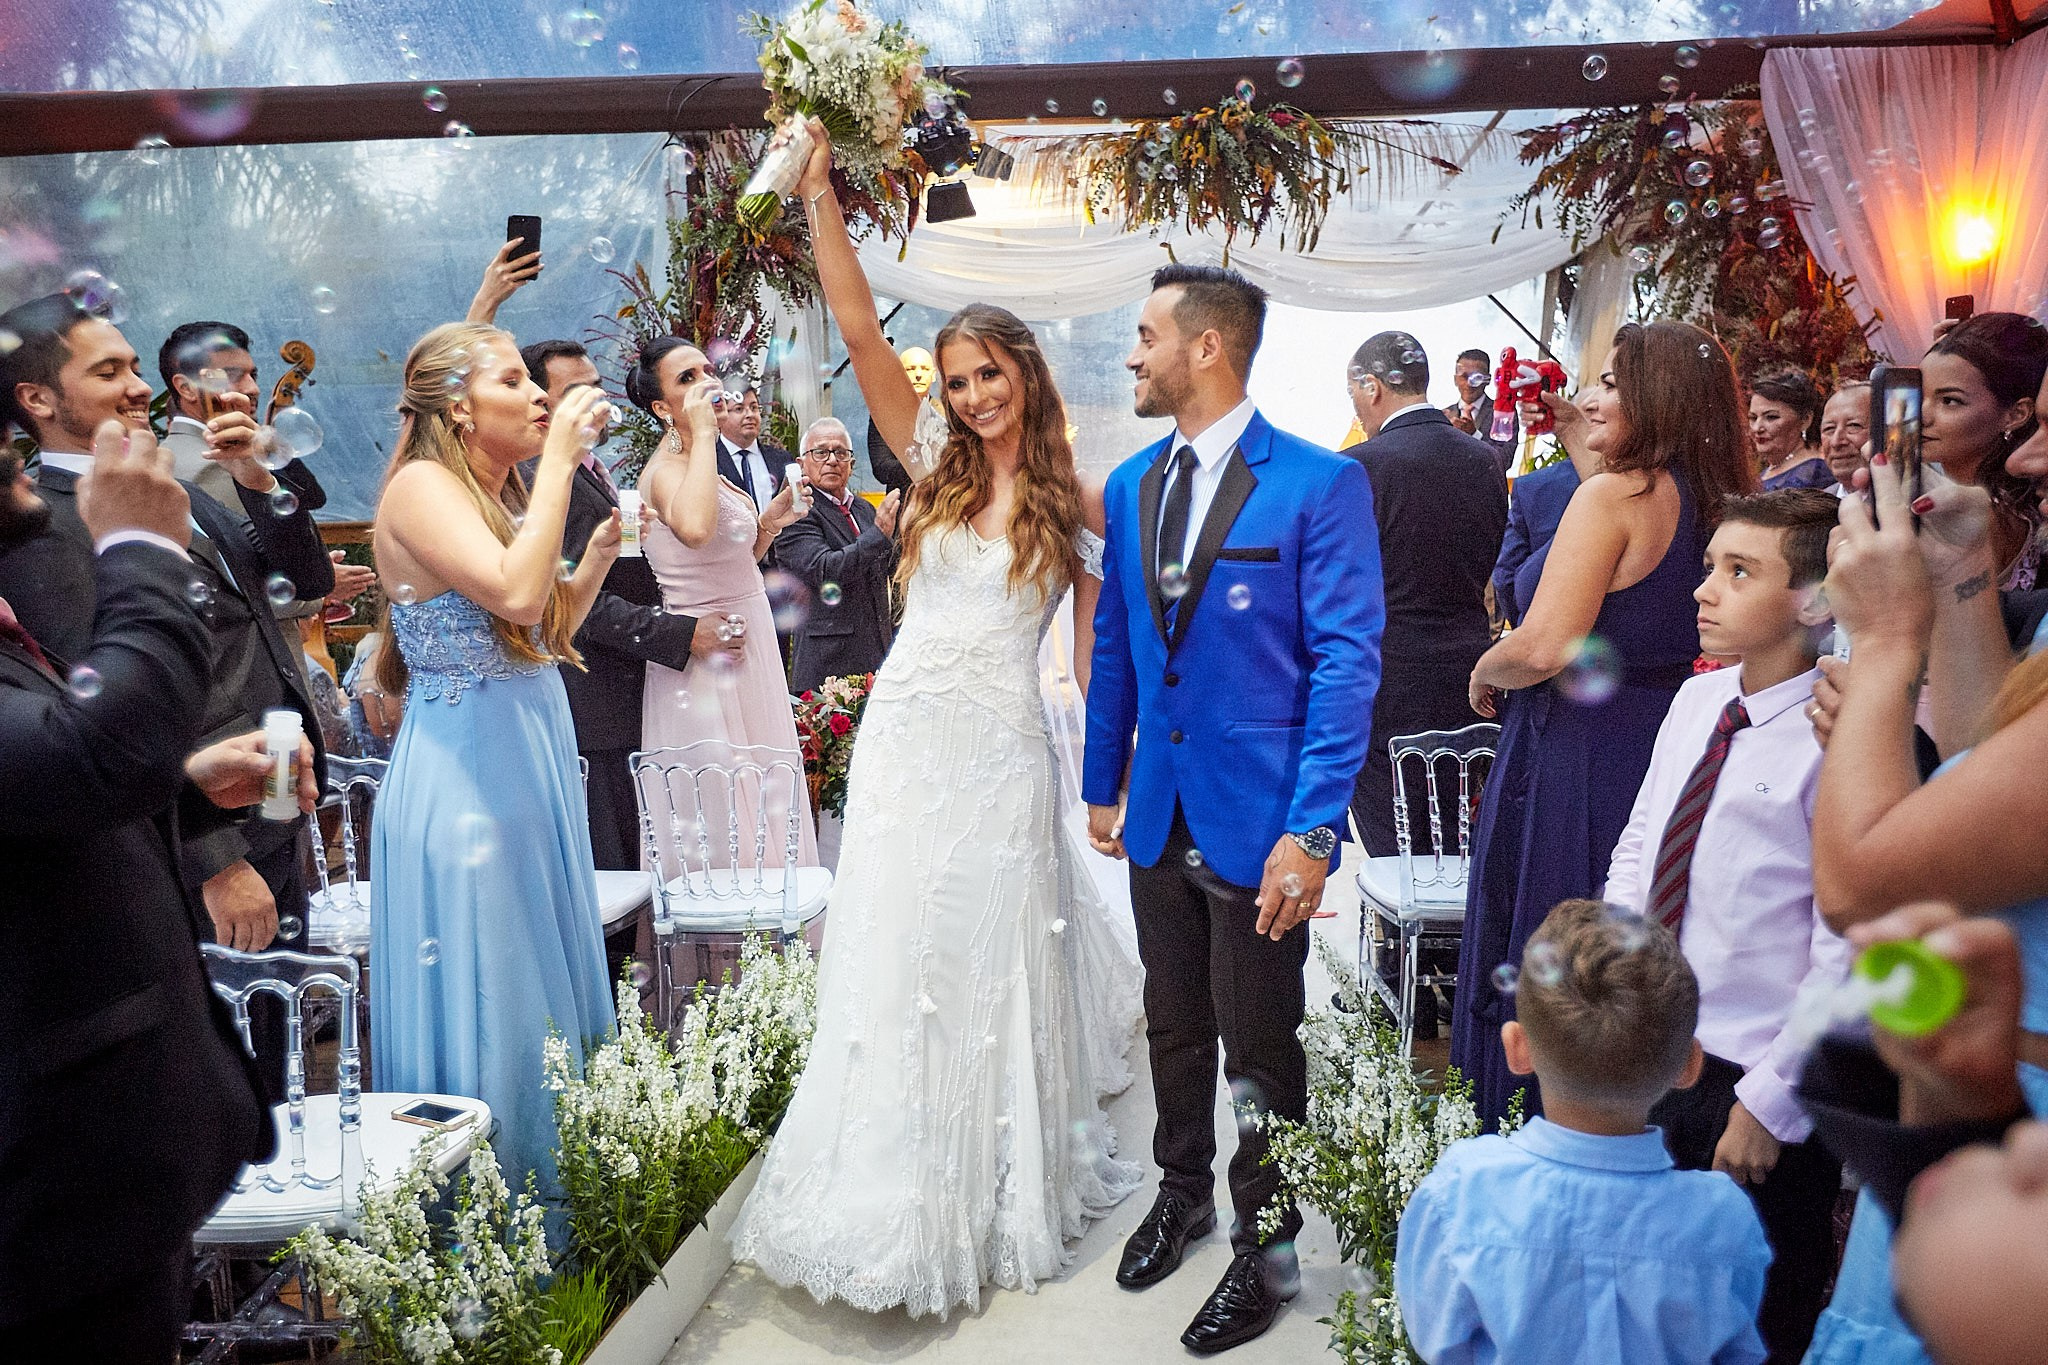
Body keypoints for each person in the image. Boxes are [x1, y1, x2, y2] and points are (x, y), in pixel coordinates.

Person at [727, 118, 1143, 1321]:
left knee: (994, 943)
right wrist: (819, 197)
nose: (967, 397)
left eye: (985, 375)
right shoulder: (927, 466)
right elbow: (859, 328)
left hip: (1005, 740)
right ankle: (890, 1166)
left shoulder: (1071, 497)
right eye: (954, 381)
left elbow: (1092, 644)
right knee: (898, 938)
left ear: (1024, 374)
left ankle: (995, 1171)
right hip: (908, 731)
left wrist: (1098, 766)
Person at [1089, 263, 1384, 1354]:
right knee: (1172, 1023)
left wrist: (1311, 831)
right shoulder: (1127, 484)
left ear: (1205, 347)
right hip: (1156, 808)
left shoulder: (1316, 483)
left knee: (1260, 1044)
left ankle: (1264, 1245)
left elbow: (1347, 664)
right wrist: (1098, 784)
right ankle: (1183, 1192)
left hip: (1262, 821)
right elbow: (1119, 642)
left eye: (1146, 334)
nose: (1132, 353)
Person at [0, 292, 334, 1102]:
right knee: (225, 1072)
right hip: (191, 839)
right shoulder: (41, 526)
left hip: (273, 799)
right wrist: (213, 860)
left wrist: (259, 476)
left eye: (131, 366)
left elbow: (308, 584)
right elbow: (104, 715)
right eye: (106, 370)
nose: (132, 387)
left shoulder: (176, 492)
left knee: (282, 1054)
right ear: (38, 400)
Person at [0, 426, 278, 1362]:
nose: (13, 445)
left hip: (98, 1164)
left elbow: (38, 800)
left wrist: (192, 791)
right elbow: (94, 755)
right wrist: (144, 550)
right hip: (42, 1196)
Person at [1453, 321, 1758, 1129]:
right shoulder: (1710, 497)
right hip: (1666, 749)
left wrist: (1486, 669)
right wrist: (1586, 443)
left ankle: (1532, 1133)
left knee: (1555, 950)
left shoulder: (1611, 499)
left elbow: (1549, 644)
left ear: (1659, 398)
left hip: (1572, 754)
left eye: (1615, 383)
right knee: (1623, 965)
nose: (1594, 396)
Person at [1795, 432, 2048, 1364]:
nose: (2023, 462)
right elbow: (1992, 760)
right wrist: (1962, 573)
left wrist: (1888, 648)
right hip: (1981, 1092)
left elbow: (1861, 886)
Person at [367, 322, 618, 1197]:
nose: (540, 395)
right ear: (460, 409)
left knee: (540, 988)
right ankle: (499, 1230)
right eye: (515, 381)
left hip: (525, 764)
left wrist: (588, 570)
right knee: (500, 998)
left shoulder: (490, 493)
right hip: (468, 777)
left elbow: (534, 631)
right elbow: (513, 588)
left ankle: (575, 1208)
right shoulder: (422, 487)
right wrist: (558, 465)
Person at [1603, 489, 1848, 1362]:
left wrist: (1769, 1101)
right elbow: (1643, 838)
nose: (1705, 589)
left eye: (1739, 572)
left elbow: (1847, 945)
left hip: (1752, 1077)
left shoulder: (1839, 738)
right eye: (1711, 566)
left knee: (1744, 1311)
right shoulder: (1695, 705)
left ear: (1815, 599)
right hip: (1653, 1046)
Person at [1398, 899, 1771, 1365]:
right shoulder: (1723, 1218)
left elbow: (1436, 1339)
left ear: (1517, 1049)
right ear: (1689, 1064)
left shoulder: (1461, 1191)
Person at [517, 337, 738, 870]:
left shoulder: (592, 471)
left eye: (597, 387)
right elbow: (577, 605)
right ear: (540, 403)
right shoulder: (546, 484)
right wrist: (682, 633)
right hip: (594, 707)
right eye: (575, 393)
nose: (596, 401)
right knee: (610, 867)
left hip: (626, 693)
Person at [623, 337, 819, 866]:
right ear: (663, 409)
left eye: (706, 370)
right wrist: (707, 433)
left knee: (766, 795)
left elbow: (735, 556)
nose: (706, 382)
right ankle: (731, 945)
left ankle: (780, 944)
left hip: (748, 642)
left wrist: (770, 521)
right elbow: (693, 528)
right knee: (726, 809)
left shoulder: (703, 461)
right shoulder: (664, 470)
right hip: (706, 661)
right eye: (687, 378)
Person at [1343, 331, 1507, 858]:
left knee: (1397, 859)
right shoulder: (1485, 462)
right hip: (1470, 671)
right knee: (1457, 847)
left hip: (1385, 678)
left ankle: (1398, 945)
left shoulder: (1362, 467)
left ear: (1371, 388)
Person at [1919, 312, 2048, 591]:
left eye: (1949, 401)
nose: (1921, 416)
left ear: (2015, 414)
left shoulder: (1987, 516)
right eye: (1919, 394)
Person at [774, 415, 901, 694]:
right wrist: (878, 535)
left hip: (876, 658)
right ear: (801, 464)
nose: (832, 460)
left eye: (841, 453)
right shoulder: (796, 512)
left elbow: (884, 570)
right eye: (821, 452)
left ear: (852, 465)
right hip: (828, 665)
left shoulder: (865, 510)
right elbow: (823, 570)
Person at [713, 379, 789, 523]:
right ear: (721, 415)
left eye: (754, 408)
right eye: (739, 409)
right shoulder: (709, 462)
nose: (750, 415)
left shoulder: (781, 460)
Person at [867, 345, 936, 495]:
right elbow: (881, 467)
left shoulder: (950, 413)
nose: (918, 374)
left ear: (934, 374)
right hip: (904, 505)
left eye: (924, 369)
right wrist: (928, 465)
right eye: (910, 369)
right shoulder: (884, 415)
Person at [1751, 368, 1832, 491]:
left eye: (1771, 417)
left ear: (1805, 420)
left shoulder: (1816, 474)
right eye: (1753, 418)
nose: (1757, 428)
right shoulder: (1767, 472)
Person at [1445, 346, 1515, 469]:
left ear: (1488, 380)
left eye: (1476, 377)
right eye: (1464, 376)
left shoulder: (1503, 414)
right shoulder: (1444, 415)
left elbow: (1504, 459)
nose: (1469, 384)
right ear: (1455, 379)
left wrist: (1474, 435)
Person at [1816, 380, 1870, 497]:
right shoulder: (1818, 506)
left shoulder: (1911, 501)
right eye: (1829, 429)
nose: (1836, 442)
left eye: (1853, 426)